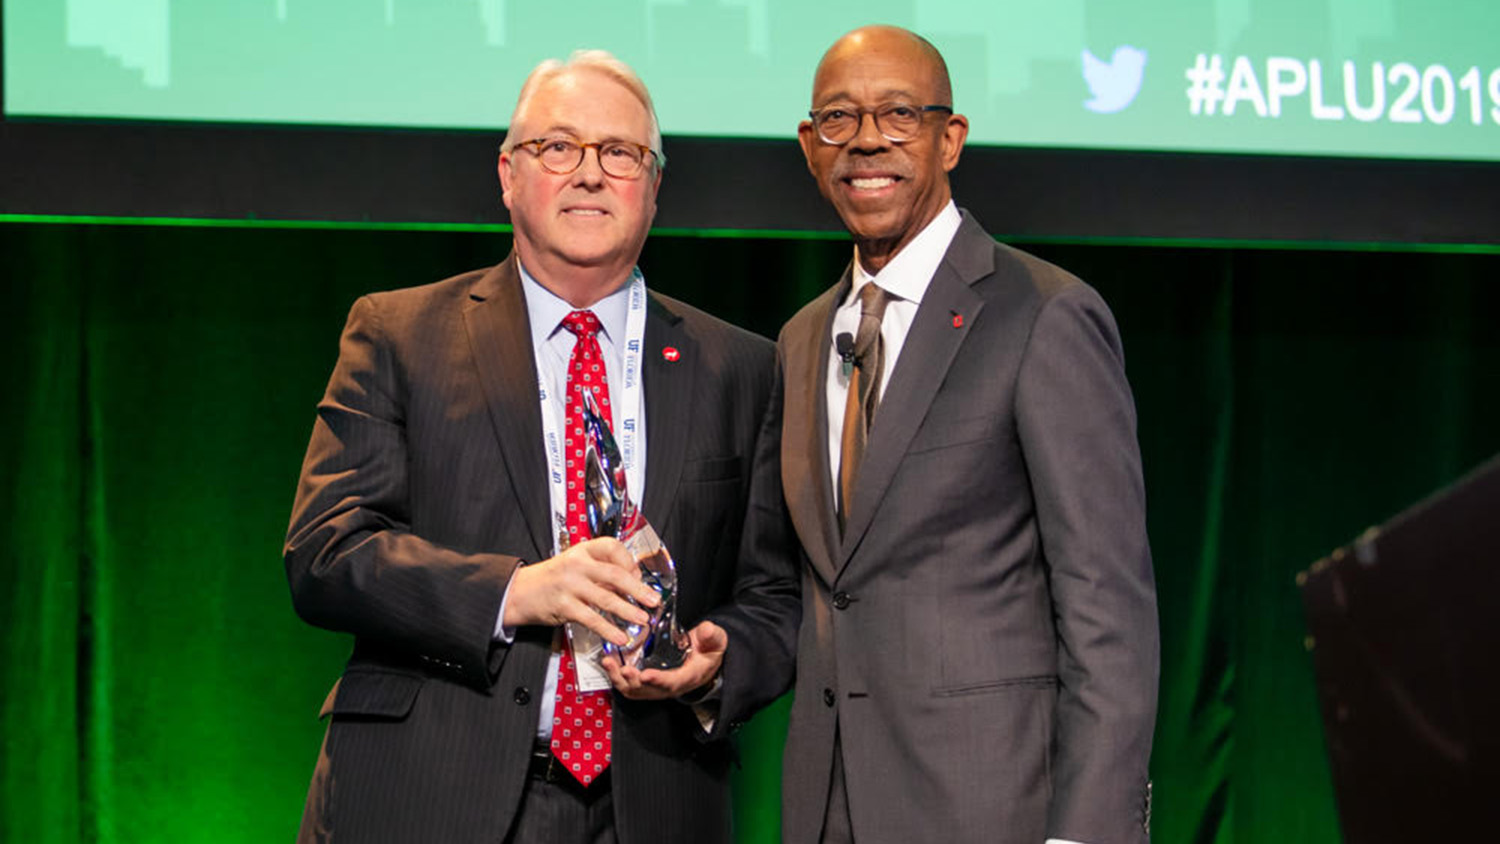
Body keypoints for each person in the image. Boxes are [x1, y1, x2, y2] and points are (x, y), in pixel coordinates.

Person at [284, 49, 782, 843]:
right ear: (509, 176)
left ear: (654, 186)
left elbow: (775, 598)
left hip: (652, 802)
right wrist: (516, 594)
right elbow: (326, 553)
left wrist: (719, 660)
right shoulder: (399, 332)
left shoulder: (742, 366)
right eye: (559, 147)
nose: (590, 173)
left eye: (620, 153)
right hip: (428, 793)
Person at [712, 25, 1160, 844]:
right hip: (827, 811)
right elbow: (811, 593)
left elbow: (1108, 613)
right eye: (839, 120)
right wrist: (711, 657)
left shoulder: (1045, 316)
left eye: (899, 115)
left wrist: (1089, 832)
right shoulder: (803, 338)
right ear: (810, 148)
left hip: (997, 810)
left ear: (950, 139)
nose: (868, 141)